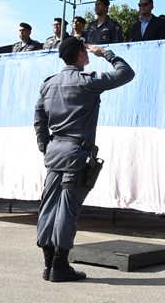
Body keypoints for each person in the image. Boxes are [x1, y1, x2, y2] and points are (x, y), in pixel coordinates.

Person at [34, 37, 135, 282]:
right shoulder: (86, 81)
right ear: (80, 54)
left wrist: (45, 147)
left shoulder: (49, 84)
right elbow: (126, 73)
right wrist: (106, 53)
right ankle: (59, 266)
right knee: (67, 211)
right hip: (76, 154)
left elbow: (39, 118)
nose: (88, 53)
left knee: (48, 207)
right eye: (86, 50)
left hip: (55, 152)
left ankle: (49, 265)